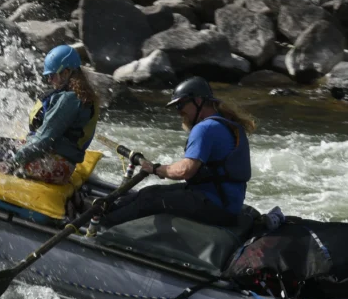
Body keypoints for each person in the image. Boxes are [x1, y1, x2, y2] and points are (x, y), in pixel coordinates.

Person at [89, 76, 253, 233]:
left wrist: (155, 169)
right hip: (225, 204)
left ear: (198, 101)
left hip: (216, 207)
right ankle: (102, 212)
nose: (178, 111)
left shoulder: (205, 129)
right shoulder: (226, 123)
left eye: (181, 105)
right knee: (150, 192)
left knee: (150, 200)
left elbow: (184, 171)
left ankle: (101, 226)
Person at [0, 45, 101, 184]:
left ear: (66, 72)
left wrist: (12, 162)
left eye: (52, 75)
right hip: (59, 161)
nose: (49, 80)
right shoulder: (81, 95)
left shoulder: (68, 100)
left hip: (55, 165)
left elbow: (45, 138)